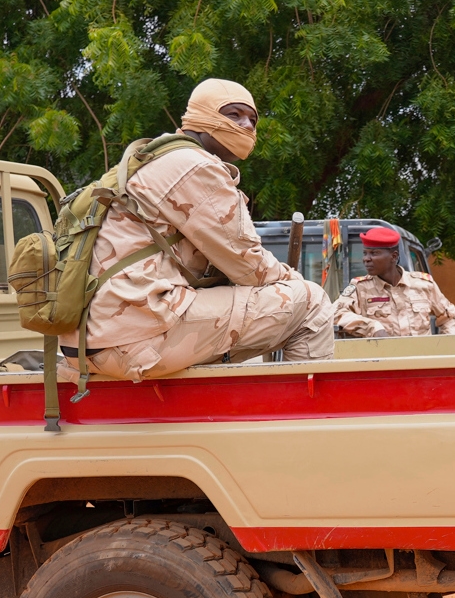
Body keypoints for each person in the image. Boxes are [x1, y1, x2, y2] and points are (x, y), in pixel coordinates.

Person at [61, 78, 335, 381]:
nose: (247, 125)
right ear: (202, 116)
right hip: (137, 338)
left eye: (252, 119)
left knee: (229, 298)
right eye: (234, 114)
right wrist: (292, 280)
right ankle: (304, 420)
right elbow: (250, 267)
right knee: (311, 301)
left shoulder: (154, 159)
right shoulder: (195, 166)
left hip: (88, 344)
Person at [331, 227, 455, 337]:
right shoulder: (360, 287)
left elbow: (448, 316)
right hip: (382, 362)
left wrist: (444, 345)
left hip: (420, 360)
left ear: (394, 256)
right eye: (365, 253)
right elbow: (335, 314)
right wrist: (372, 327)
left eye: (374, 253)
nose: (366, 259)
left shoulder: (423, 284)